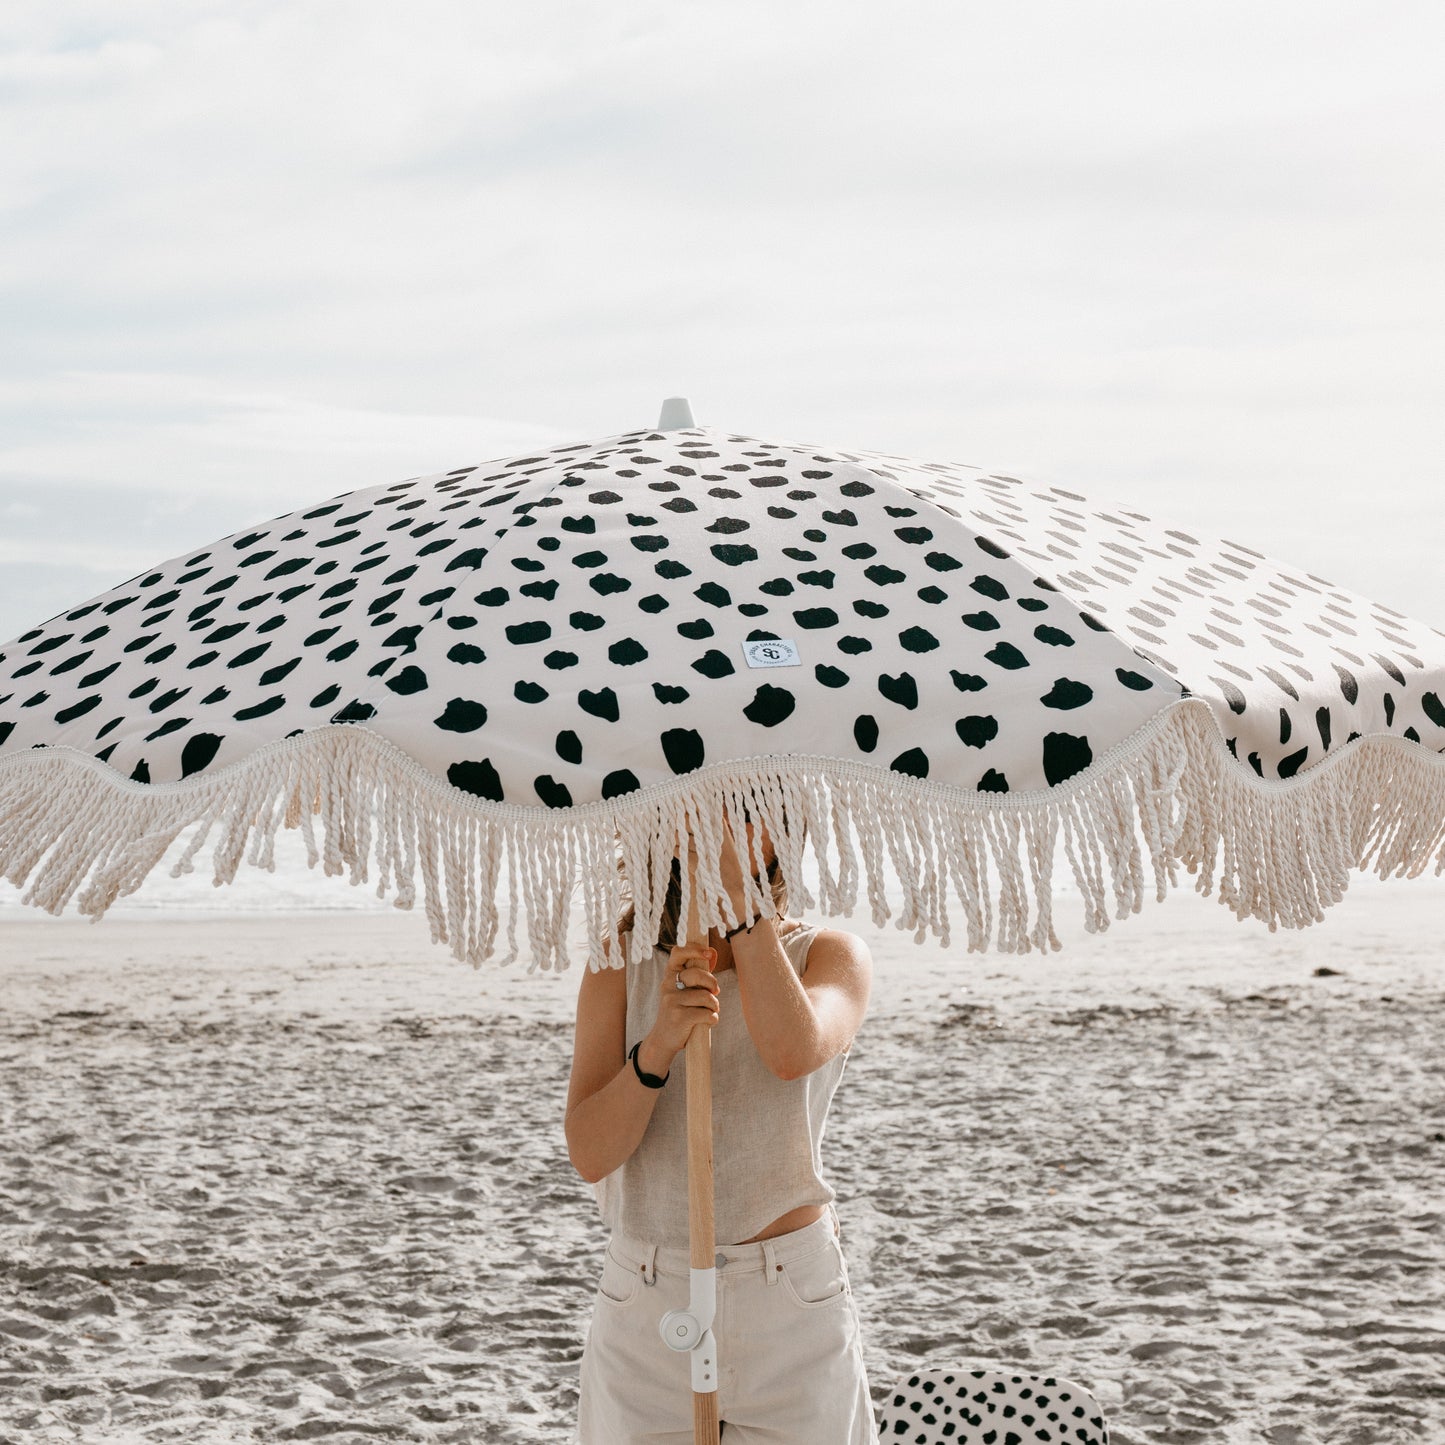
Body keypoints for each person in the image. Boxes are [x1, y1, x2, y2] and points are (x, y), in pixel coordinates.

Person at [566, 805, 878, 1443]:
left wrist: (740, 905)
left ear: (785, 833)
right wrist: (658, 1046)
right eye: (706, 808)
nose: (724, 826)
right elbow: (591, 1155)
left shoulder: (829, 954)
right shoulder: (618, 963)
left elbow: (792, 1052)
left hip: (790, 1297)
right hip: (648, 1293)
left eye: (750, 811)